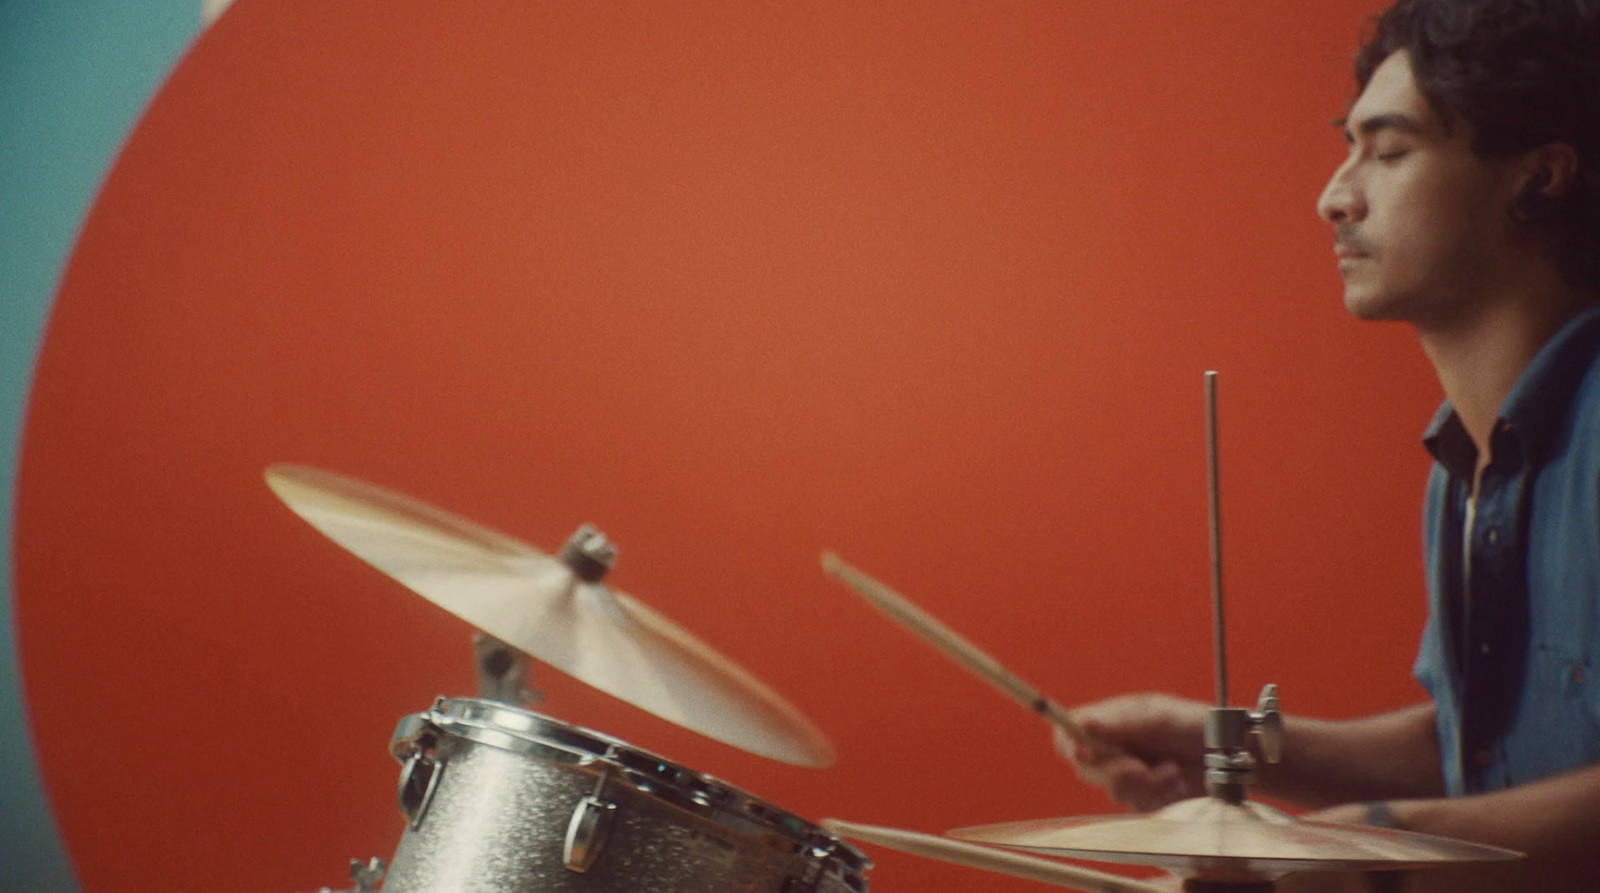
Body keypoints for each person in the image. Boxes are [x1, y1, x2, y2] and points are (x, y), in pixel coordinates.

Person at [1060, 1, 1600, 890]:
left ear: (1539, 178)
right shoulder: (1462, 470)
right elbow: (1484, 754)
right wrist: (1229, 751)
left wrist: (1375, 853)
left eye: (1389, 152)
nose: (1334, 195)